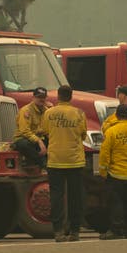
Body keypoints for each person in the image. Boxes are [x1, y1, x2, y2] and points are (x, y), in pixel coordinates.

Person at [40, 84, 88, 242]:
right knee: (75, 197)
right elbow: (82, 134)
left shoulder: (49, 113)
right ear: (71, 97)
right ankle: (74, 231)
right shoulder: (79, 113)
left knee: (56, 196)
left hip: (55, 161)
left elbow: (45, 131)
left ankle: (58, 231)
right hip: (75, 161)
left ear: (58, 96)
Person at [99, 103, 127, 240]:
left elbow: (105, 153)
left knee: (116, 202)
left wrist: (103, 171)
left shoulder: (111, 132)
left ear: (117, 116)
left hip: (115, 174)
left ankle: (116, 230)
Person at [13, 86, 50, 168]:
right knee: (24, 144)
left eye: (43, 97)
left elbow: (48, 129)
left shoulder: (47, 111)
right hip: (23, 138)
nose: (41, 99)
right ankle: (42, 164)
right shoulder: (26, 111)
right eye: (39, 97)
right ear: (33, 98)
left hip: (39, 138)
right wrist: (39, 141)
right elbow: (25, 131)